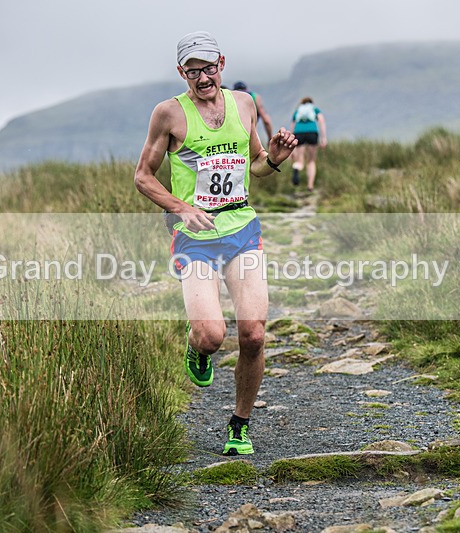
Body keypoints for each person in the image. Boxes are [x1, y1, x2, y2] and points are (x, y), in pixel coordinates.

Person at [134, 31, 297, 456]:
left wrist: (275, 157)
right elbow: (143, 176)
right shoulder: (168, 114)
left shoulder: (243, 104)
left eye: (208, 68)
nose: (202, 77)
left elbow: (258, 167)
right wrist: (179, 207)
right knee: (210, 335)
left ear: (221, 64)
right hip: (196, 240)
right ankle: (199, 350)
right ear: (181, 72)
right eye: (193, 71)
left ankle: (239, 425)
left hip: (242, 231)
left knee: (254, 336)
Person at [289, 97, 327, 192]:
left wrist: (291, 142)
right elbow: (321, 120)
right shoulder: (314, 109)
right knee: (311, 161)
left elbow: (292, 126)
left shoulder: (298, 111)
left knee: (299, 160)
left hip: (299, 133)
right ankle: (310, 186)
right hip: (312, 132)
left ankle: (297, 167)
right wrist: (323, 137)